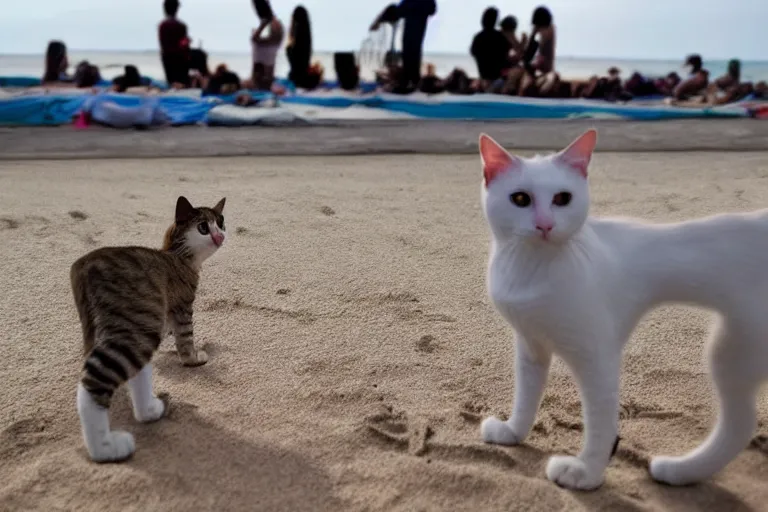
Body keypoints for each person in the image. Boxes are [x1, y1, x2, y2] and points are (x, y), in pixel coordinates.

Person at [370, 0, 437, 93]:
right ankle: (411, 80)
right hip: (415, 17)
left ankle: (410, 81)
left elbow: (431, 9)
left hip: (416, 17)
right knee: (411, 49)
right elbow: (431, 9)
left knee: (411, 49)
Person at [519, 6, 558, 96]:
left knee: (529, 87)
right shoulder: (550, 28)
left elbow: (531, 52)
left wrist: (530, 37)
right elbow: (530, 53)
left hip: (545, 70)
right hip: (543, 68)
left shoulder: (547, 31)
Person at [470, 8, 511, 88]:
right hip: (498, 78)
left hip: (484, 76)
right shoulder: (500, 37)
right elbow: (507, 55)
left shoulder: (478, 37)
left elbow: (473, 52)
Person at [158, 0, 192, 87]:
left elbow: (162, 43)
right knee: (182, 83)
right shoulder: (181, 25)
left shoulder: (162, 25)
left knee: (171, 82)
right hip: (180, 58)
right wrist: (188, 41)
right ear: (176, 9)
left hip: (166, 57)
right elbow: (183, 44)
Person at [286, 6, 320, 90]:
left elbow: (294, 63)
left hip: (295, 78)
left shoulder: (294, 41)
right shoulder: (306, 39)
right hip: (302, 77)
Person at [251, 16, 285, 90]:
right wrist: (263, 24)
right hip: (258, 81)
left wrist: (266, 23)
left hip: (268, 81)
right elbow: (254, 38)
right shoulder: (259, 43)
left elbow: (279, 34)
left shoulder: (275, 43)